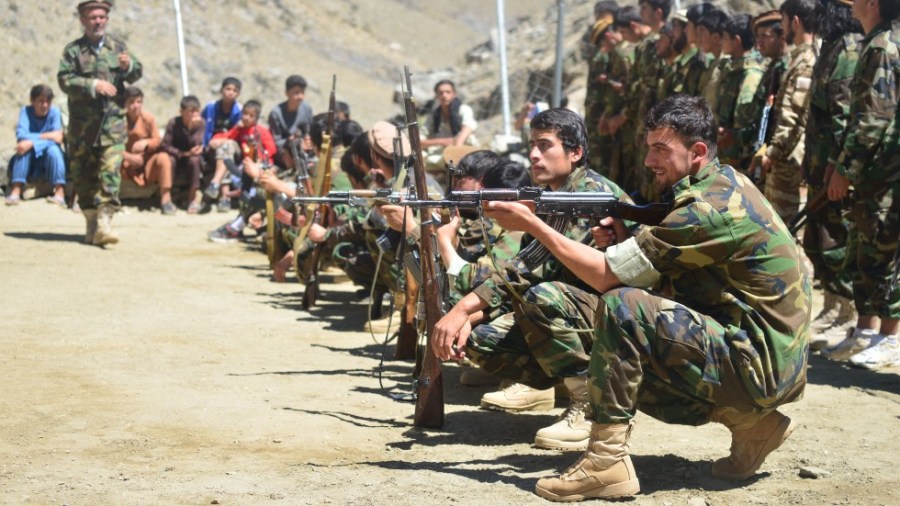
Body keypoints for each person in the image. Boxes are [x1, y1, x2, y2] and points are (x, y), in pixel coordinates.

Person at [432, 95, 809, 501]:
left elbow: (610, 278)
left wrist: (533, 225)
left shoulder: (708, 209)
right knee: (622, 322)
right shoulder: (719, 184)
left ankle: (606, 462)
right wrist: (626, 241)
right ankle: (753, 426)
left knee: (622, 308)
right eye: (649, 148)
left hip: (758, 363)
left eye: (661, 150)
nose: (649, 161)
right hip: (759, 355)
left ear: (697, 152)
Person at [432, 108, 635, 452]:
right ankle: (557, 386)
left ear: (575, 152)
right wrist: (465, 314)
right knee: (484, 337)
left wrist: (463, 309)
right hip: (583, 313)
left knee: (544, 298)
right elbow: (520, 272)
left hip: (619, 318)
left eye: (545, 145)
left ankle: (594, 409)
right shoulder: (554, 197)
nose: (533, 155)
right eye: (531, 146)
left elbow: (539, 278)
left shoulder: (588, 196)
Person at [824, 0, 900, 370]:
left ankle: (889, 337)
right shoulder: (878, 41)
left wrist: (846, 169)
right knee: (866, 250)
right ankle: (868, 331)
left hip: (884, 172)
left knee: (882, 250)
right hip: (877, 171)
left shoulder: (884, 46)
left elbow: (873, 118)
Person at [802, 0, 863, 349]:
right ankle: (834, 307)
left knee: (837, 239)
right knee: (819, 239)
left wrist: (835, 166)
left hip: (834, 169)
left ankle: (848, 313)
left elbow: (842, 115)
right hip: (820, 165)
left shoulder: (849, 50)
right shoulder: (833, 46)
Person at [58, 0, 142, 246]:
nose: (98, 21)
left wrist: (130, 67)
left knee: (110, 172)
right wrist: (93, 85)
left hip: (113, 125)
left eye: (102, 17)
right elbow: (64, 80)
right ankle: (91, 222)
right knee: (83, 176)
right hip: (83, 128)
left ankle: (105, 221)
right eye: (93, 17)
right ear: (83, 20)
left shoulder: (118, 47)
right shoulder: (73, 51)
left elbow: (137, 72)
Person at [760, 0, 818, 225]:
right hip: (785, 159)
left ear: (795, 22)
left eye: (783, 21)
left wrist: (772, 152)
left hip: (789, 162)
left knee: (785, 230)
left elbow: (794, 117)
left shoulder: (806, 62)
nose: (781, 29)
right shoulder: (800, 58)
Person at [206, 100, 277, 243]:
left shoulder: (261, 131)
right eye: (244, 114)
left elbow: (272, 148)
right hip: (245, 167)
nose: (246, 118)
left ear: (256, 118)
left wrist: (260, 160)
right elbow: (228, 137)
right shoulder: (240, 129)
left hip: (260, 167)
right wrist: (220, 138)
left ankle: (238, 225)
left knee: (252, 194)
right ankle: (218, 189)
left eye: (250, 115)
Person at [740, 10, 790, 182]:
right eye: (757, 37)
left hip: (776, 156)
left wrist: (768, 150)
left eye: (765, 36)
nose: (759, 42)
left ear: (781, 36)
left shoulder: (786, 68)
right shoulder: (773, 66)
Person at [715, 14, 767, 169]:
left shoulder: (750, 74)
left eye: (724, 37)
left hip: (737, 159)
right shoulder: (732, 70)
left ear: (736, 41)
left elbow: (744, 121)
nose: (721, 41)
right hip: (725, 153)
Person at [6, 84, 66, 207]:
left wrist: (33, 142)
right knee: (23, 149)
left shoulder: (54, 113)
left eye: (48, 102)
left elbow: (59, 138)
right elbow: (21, 136)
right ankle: (16, 190)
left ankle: (60, 193)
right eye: (41, 101)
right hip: (31, 160)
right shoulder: (25, 112)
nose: (45, 105)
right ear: (32, 101)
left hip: (47, 160)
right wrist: (47, 137)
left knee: (54, 150)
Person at [120, 87, 175, 215]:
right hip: (126, 164)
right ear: (125, 104)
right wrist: (128, 156)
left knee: (163, 158)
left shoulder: (148, 119)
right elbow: (113, 145)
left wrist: (146, 143)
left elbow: (158, 141)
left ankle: (166, 199)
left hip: (145, 163)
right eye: (132, 102)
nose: (135, 106)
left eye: (139, 102)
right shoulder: (119, 121)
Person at [420, 80, 479, 186]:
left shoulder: (463, 110)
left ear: (454, 94)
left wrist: (457, 145)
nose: (444, 95)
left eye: (448, 92)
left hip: (463, 150)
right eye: (441, 93)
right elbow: (420, 141)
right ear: (436, 95)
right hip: (442, 153)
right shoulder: (434, 116)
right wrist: (442, 141)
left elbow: (469, 127)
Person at [160, 95, 207, 214]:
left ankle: (192, 197)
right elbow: (165, 145)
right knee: (169, 160)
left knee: (195, 160)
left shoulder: (200, 124)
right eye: (191, 111)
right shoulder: (173, 123)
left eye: (196, 111)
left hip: (191, 158)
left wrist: (191, 128)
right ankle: (167, 197)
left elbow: (198, 145)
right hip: (177, 155)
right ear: (182, 111)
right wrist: (182, 153)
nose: (194, 114)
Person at [268, 74, 314, 172]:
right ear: (287, 93)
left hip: (305, 147)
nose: (300, 96)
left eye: (302, 92)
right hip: (285, 150)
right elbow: (276, 140)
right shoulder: (276, 113)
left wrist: (307, 140)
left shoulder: (307, 108)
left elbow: (310, 130)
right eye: (296, 93)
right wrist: (294, 142)